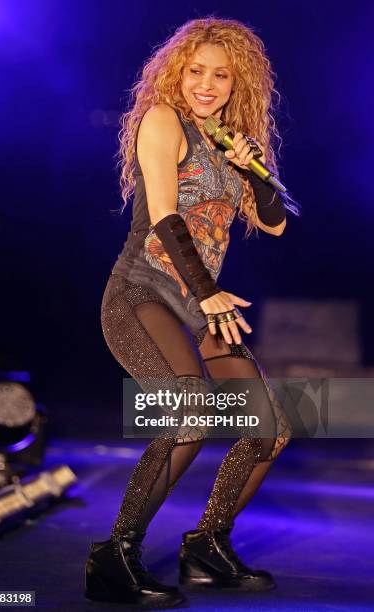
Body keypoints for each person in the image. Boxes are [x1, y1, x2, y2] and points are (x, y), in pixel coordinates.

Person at [85, 16, 298, 609]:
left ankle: (207, 544)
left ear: (238, 84)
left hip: (200, 300)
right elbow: (163, 216)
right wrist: (205, 292)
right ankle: (114, 556)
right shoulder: (162, 120)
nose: (207, 84)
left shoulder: (227, 139)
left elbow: (275, 224)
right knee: (189, 413)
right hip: (143, 292)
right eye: (196, 71)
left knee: (269, 430)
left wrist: (253, 172)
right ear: (178, 73)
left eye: (221, 76)